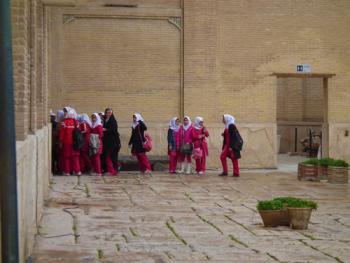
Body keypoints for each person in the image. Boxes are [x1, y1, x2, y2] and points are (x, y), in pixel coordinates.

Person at [59, 107, 81, 176]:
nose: (64, 113)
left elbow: (62, 133)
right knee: (75, 157)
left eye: (65, 112)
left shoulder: (64, 122)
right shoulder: (76, 122)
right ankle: (77, 171)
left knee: (66, 157)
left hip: (67, 142)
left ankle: (67, 171)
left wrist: (60, 141)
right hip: (75, 142)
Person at [103, 108, 121, 175]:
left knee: (113, 156)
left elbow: (114, 130)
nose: (108, 114)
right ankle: (110, 170)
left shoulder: (113, 121)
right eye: (107, 112)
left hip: (113, 142)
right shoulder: (105, 120)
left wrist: (106, 130)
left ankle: (113, 170)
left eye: (109, 113)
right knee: (108, 156)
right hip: (107, 141)